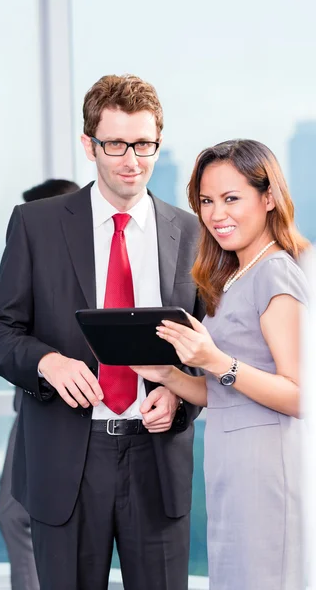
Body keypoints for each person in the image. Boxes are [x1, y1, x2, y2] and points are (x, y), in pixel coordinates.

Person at [0, 74, 203, 590]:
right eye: (117, 144)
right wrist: (46, 362)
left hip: (158, 457)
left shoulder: (190, 232)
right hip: (68, 464)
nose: (132, 160)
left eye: (144, 144)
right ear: (89, 144)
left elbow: (205, 345)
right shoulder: (36, 224)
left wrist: (179, 395)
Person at [132, 139, 310, 590]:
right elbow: (224, 394)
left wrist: (216, 360)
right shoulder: (233, 276)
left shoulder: (275, 272)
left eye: (232, 198)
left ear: (268, 198)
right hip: (229, 463)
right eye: (207, 201)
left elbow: (298, 395)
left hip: (266, 465)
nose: (215, 214)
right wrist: (169, 374)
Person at [0, 178, 79, 590]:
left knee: (21, 515)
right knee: (15, 515)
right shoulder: (39, 261)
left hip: (65, 413)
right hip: (34, 404)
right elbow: (2, 331)